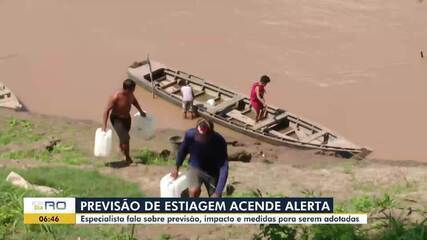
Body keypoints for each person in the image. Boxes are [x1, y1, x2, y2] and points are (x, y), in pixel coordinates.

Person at [170, 119, 228, 197]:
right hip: (195, 167)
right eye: (199, 137)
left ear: (210, 134)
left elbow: (223, 167)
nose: (201, 139)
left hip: (212, 172)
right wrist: (176, 166)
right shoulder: (190, 135)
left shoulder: (219, 141)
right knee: (193, 192)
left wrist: (218, 191)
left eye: (203, 137)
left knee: (215, 198)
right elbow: (182, 150)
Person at [102, 79, 146, 164]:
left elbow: (134, 101)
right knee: (126, 138)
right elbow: (106, 111)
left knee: (124, 135)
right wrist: (104, 126)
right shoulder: (116, 96)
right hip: (116, 119)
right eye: (133, 88)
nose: (134, 90)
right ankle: (128, 158)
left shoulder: (130, 94)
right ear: (128, 89)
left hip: (127, 119)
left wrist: (140, 111)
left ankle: (120, 147)